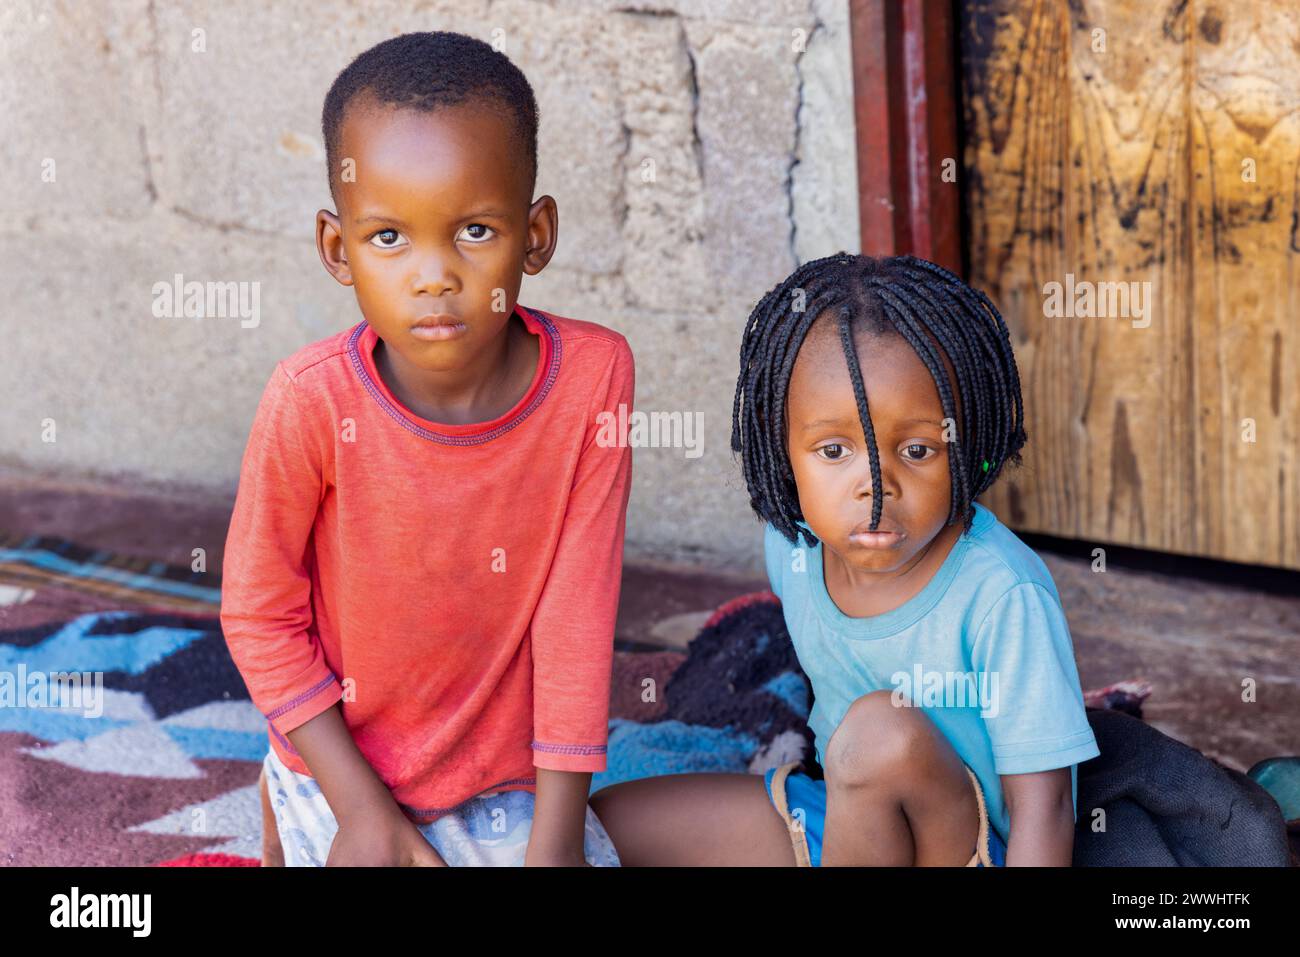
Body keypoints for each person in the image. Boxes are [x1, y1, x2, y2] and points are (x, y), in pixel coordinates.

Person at [220, 31, 633, 867]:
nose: (434, 274)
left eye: (476, 230)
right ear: (338, 249)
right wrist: (359, 809)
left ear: (536, 235)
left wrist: (557, 843)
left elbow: (575, 615)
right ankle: (286, 794)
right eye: (388, 238)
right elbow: (258, 612)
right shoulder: (311, 400)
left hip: (504, 782)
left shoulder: (594, 376)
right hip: (346, 770)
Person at [591, 254, 1098, 866]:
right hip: (844, 816)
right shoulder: (795, 547)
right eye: (834, 450)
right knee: (603, 827)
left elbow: (1046, 809)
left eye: (917, 449)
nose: (875, 487)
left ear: (971, 446)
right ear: (782, 449)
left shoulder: (1000, 594)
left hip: (965, 846)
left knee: (877, 730)